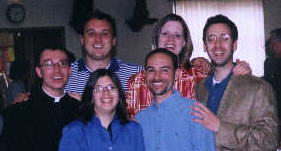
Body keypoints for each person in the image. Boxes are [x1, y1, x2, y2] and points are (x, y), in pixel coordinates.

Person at [127, 13, 251, 118]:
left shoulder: (200, 78)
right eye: (165, 34)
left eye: (177, 35)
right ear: (156, 39)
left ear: (184, 42)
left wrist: (239, 72)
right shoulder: (136, 82)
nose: (170, 40)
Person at [192, 14, 278, 150]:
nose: (217, 45)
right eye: (211, 39)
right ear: (204, 46)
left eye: (225, 38)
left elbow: (269, 140)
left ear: (234, 44)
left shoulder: (258, 88)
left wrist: (220, 128)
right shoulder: (198, 88)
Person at [0, 47, 80, 151]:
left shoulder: (81, 111)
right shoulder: (15, 114)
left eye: (62, 64)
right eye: (49, 64)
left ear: (70, 71)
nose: (57, 70)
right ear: (39, 72)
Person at [136, 48, 215, 151]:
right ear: (145, 75)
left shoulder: (196, 112)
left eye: (164, 70)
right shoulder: (140, 119)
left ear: (176, 74)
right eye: (151, 70)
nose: (157, 76)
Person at [59, 69, 145, 151]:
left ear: (119, 95)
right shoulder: (75, 131)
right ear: (91, 97)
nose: (106, 92)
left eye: (111, 87)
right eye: (98, 88)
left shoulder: (133, 129)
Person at [66, 10, 142, 96]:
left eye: (105, 34)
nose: (98, 40)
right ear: (82, 40)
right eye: (91, 33)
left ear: (114, 41)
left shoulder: (136, 75)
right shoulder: (66, 75)